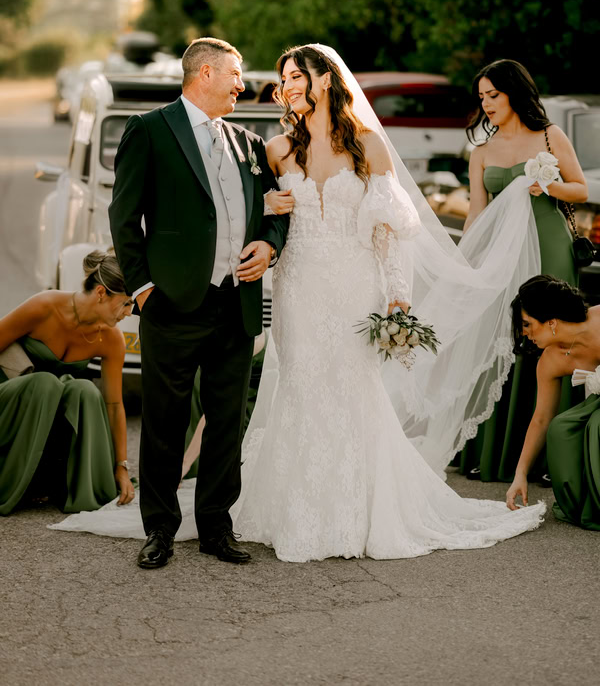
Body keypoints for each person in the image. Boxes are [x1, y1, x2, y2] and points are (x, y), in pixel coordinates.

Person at [229, 44, 546, 561]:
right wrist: (266, 204)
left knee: (353, 389)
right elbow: (261, 219)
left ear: (324, 80)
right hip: (299, 283)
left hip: (356, 283)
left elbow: (391, 232)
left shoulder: (369, 145)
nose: (285, 87)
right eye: (283, 79)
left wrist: (398, 296)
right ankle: (297, 510)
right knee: (302, 385)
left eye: (293, 77)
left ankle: (360, 511)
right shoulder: (278, 149)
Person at [108, 37, 288, 570]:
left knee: (226, 422)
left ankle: (215, 527)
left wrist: (270, 244)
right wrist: (142, 290)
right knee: (164, 424)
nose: (242, 84)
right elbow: (125, 217)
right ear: (204, 73)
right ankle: (160, 530)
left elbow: (276, 210)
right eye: (235, 74)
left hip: (234, 304)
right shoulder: (149, 130)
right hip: (173, 303)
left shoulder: (250, 144)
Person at [456, 60, 588, 483]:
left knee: (556, 338)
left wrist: (547, 185)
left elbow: (581, 190)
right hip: (502, 254)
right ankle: (496, 453)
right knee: (504, 338)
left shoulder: (550, 135)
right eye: (481, 97)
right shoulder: (481, 152)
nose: (487, 104)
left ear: (515, 92)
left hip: (551, 248)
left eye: (493, 95)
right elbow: (476, 212)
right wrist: (463, 262)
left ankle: (554, 460)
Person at [0, 250, 134, 515]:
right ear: (100, 293)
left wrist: (121, 466)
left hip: (47, 414)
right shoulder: (44, 306)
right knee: (46, 384)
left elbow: (114, 405)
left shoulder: (110, 339)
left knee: (84, 390)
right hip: (9, 403)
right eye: (126, 303)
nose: (129, 313)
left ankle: (65, 484)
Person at [506, 276, 600, 530]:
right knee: (560, 427)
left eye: (527, 324)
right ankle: (580, 503)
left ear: (552, 321)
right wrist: (520, 474)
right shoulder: (550, 361)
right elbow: (541, 419)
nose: (524, 333)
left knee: (598, 425)